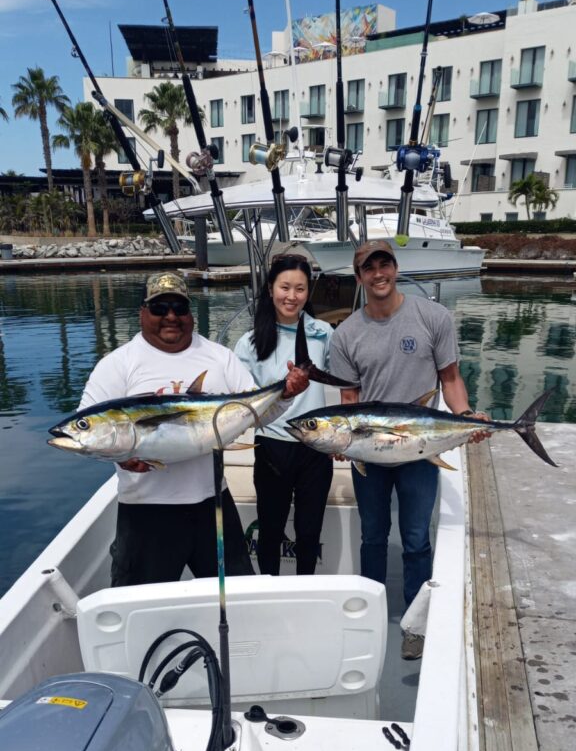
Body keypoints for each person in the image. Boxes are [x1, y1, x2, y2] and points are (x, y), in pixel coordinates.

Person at [78, 271, 309, 587]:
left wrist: (285, 394)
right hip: (146, 512)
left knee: (238, 599)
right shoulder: (117, 365)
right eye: (159, 308)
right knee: (140, 609)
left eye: (179, 308)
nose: (170, 316)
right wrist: (118, 458)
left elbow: (258, 415)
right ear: (142, 312)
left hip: (211, 505)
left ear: (190, 312)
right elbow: (90, 433)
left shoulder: (219, 357)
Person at [328, 240, 489, 659]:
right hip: (371, 455)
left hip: (420, 450)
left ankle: (416, 626)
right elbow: (351, 402)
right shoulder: (346, 334)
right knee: (372, 537)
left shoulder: (433, 316)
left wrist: (467, 415)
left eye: (385, 264)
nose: (378, 273)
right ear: (359, 276)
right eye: (369, 268)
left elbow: (450, 379)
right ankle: (371, 616)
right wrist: (343, 443)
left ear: (395, 269)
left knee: (417, 539)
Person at [234, 254, 334, 575]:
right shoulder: (249, 343)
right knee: (271, 532)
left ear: (308, 292)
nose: (292, 297)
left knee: (309, 533)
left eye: (300, 289)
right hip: (272, 446)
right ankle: (269, 592)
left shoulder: (323, 333)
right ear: (270, 288)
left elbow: (345, 381)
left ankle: (305, 592)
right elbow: (243, 402)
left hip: (315, 446)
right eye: (285, 287)